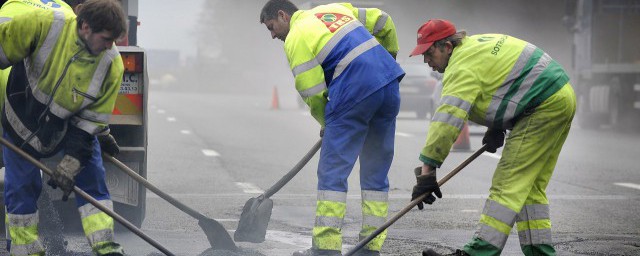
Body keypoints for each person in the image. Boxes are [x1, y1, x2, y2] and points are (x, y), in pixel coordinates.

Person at [408, 19, 576, 256]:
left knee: (507, 184)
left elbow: (447, 120)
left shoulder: (461, 66)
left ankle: (478, 252)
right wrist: (497, 126)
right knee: (529, 187)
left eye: (429, 52)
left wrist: (428, 171)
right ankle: (540, 252)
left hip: (542, 104)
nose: (426, 61)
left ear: (447, 46)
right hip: (560, 95)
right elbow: (501, 84)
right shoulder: (474, 47)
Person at [260, 0, 404, 255]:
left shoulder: (296, 37)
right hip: (389, 84)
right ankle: (370, 248)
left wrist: (328, 122)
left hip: (353, 91)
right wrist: (388, 57)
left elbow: (312, 92)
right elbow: (384, 21)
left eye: (272, 27)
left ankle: (326, 248)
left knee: (332, 175)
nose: (273, 36)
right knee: (375, 172)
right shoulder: (335, 9)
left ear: (283, 15)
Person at [0, 0, 126, 255]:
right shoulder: (42, 25)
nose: (111, 46)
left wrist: (71, 163)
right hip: (21, 120)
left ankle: (105, 246)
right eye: (106, 39)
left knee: (92, 178)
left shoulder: (112, 64)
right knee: (21, 187)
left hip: (68, 126)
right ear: (86, 27)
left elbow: (89, 123)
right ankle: (26, 250)